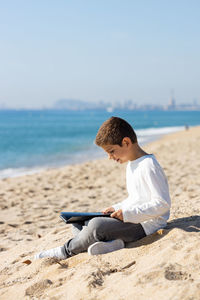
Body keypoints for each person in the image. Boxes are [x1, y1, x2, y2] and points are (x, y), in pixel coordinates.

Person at [35, 117, 171, 260]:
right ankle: (112, 244)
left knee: (96, 225)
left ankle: (64, 251)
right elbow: (135, 198)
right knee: (78, 221)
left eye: (111, 151)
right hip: (131, 218)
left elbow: (162, 204)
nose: (109, 157)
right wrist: (116, 207)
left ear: (126, 142)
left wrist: (127, 214)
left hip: (146, 225)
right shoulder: (132, 164)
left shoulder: (149, 165)